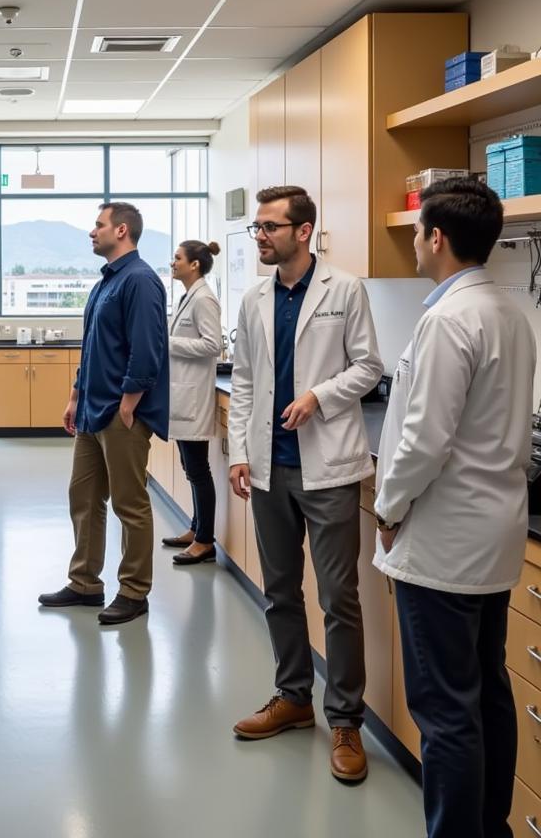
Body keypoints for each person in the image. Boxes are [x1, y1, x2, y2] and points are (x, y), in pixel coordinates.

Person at [374, 178, 535, 838]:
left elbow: (423, 438)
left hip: (443, 541)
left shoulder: (447, 318)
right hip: (491, 533)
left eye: (417, 233)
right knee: (487, 693)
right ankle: (489, 827)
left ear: (436, 238)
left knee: (445, 711)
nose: (414, 244)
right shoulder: (507, 310)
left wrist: (387, 506)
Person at [227, 185, 382, 783]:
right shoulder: (254, 297)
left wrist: (320, 396)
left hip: (328, 468)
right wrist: (240, 452)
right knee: (281, 590)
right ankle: (292, 697)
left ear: (303, 230)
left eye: (269, 226)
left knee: (339, 598)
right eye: (257, 228)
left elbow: (368, 365)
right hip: (269, 469)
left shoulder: (345, 290)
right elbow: (244, 382)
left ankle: (344, 718)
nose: (260, 235)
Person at [39, 202, 170, 625]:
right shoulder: (106, 283)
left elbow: (146, 351)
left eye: (98, 225)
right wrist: (76, 395)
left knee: (130, 505)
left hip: (120, 413)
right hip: (92, 410)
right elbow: (95, 345)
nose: (91, 232)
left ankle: (134, 592)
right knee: (84, 496)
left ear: (122, 230)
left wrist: (129, 405)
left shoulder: (141, 281)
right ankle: (85, 583)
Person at [161, 240, 222, 565]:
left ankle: (204, 541)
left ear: (194, 264)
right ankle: (196, 527)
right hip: (182, 395)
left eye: (177, 258)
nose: (172, 263)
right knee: (190, 466)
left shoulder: (205, 299)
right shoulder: (189, 296)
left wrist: (167, 342)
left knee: (198, 470)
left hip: (193, 397)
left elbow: (214, 345)